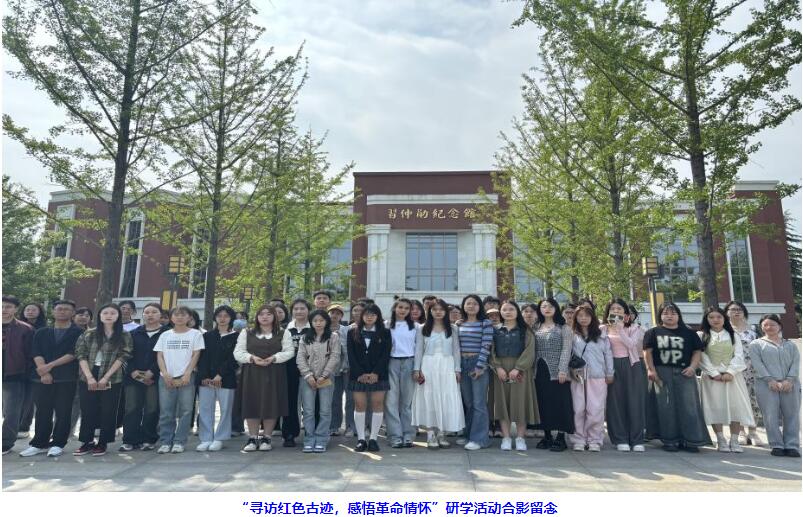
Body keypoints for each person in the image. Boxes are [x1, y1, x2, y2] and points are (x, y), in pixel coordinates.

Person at [643, 302, 711, 452]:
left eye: (673, 313)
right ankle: (669, 440)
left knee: (689, 406)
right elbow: (647, 352)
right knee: (665, 406)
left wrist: (693, 367)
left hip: (685, 372)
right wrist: (651, 370)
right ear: (660, 315)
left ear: (678, 315)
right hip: (662, 372)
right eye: (665, 313)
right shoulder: (653, 332)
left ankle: (692, 440)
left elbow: (697, 352)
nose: (669, 316)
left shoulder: (690, 333)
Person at [18, 300, 82, 458]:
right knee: (42, 411)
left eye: (66, 309)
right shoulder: (42, 332)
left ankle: (58, 443)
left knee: (63, 411)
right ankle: (39, 443)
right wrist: (43, 372)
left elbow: (74, 353)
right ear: (53, 312)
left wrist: (49, 366)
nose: (62, 311)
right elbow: (36, 351)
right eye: (59, 309)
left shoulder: (79, 333)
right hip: (41, 378)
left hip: (66, 377)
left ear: (73, 313)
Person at [73, 303, 133, 456]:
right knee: (87, 409)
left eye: (113, 313)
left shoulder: (124, 334)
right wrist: (89, 377)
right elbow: (80, 354)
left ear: (118, 316)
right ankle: (86, 441)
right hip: (88, 373)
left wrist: (106, 377)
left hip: (113, 375)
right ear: (99, 316)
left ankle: (103, 442)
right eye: (105, 313)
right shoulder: (89, 333)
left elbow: (124, 356)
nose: (109, 316)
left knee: (108, 410)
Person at [234, 304, 293, 453]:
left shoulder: (283, 333)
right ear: (257, 317)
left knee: (271, 404)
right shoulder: (247, 332)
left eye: (268, 314)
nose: (265, 317)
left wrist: (274, 358)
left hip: (274, 372)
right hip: (252, 373)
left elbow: (289, 351)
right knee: (252, 403)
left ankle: (267, 437)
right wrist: (252, 358)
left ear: (274, 316)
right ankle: (252, 438)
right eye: (261, 314)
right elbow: (238, 352)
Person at [697, 306, 754, 453]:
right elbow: (701, 356)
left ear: (724, 319)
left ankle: (734, 440)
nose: (715, 320)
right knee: (715, 406)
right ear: (706, 319)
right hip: (711, 378)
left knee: (736, 407)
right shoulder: (701, 335)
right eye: (711, 317)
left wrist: (730, 372)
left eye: (719, 317)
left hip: (733, 377)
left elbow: (739, 355)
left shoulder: (733, 335)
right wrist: (714, 373)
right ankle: (720, 439)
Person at [411, 299, 463, 449]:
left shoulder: (453, 328)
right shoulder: (422, 328)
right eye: (435, 309)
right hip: (428, 365)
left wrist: (457, 369)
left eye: (441, 309)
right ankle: (430, 434)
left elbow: (456, 350)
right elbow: (418, 349)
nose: (438, 312)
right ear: (430, 311)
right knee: (429, 398)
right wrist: (417, 369)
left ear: (446, 311)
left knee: (445, 397)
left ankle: (441, 433)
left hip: (447, 365)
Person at [153, 306, 204, 454]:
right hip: (166, 377)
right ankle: (165, 441)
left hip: (187, 377)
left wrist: (188, 373)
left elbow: (196, 354)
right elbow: (159, 355)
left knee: (186, 410)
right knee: (166, 411)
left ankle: (179, 441)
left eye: (183, 315)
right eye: (176, 315)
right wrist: (164, 373)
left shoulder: (195, 334)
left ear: (189, 317)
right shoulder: (165, 335)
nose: (179, 317)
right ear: (171, 317)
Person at [749, 314, 800, 457]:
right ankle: (776, 445)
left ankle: (791, 445)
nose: (769, 327)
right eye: (765, 325)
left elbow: (795, 363)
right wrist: (769, 380)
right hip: (766, 385)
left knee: (792, 415)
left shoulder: (790, 345)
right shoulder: (756, 344)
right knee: (770, 415)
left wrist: (789, 380)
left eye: (772, 324)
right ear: (761, 327)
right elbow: (757, 364)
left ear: (779, 326)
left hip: (790, 384)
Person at [490, 301, 537, 452]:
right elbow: (491, 351)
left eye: (511, 309)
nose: (508, 312)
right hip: (500, 370)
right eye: (504, 309)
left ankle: (520, 438)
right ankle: (506, 437)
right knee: (502, 403)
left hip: (521, 369)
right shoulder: (495, 330)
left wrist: (518, 368)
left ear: (517, 311)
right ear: (500, 312)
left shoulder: (525, 330)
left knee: (520, 402)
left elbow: (530, 351)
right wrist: (497, 367)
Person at [601, 299, 647, 452]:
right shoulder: (602, 329)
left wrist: (620, 329)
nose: (616, 311)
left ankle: (637, 439)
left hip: (631, 365)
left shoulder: (635, 328)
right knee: (615, 403)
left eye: (619, 309)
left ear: (626, 313)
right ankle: (620, 438)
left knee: (635, 402)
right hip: (610, 366)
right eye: (613, 309)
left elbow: (631, 345)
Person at [347, 304, 392, 452]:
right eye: (366, 314)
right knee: (360, 405)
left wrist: (375, 373)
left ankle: (373, 439)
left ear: (378, 316)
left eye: (373, 314)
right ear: (362, 316)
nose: (369, 317)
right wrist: (360, 373)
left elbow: (385, 355)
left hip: (379, 375)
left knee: (377, 404)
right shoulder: (352, 332)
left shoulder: (385, 333)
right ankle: (361, 439)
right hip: (357, 375)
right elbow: (351, 355)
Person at [120, 302, 165, 452]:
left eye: (154, 312)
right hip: (132, 377)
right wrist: (133, 371)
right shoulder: (134, 333)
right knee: (131, 408)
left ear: (161, 315)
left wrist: (152, 371)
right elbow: (126, 354)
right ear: (142, 315)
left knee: (152, 408)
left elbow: (165, 355)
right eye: (147, 312)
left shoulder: (166, 333)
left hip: (155, 377)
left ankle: (148, 439)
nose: (150, 315)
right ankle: (129, 440)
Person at [570, 306, 613, 452]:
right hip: (578, 376)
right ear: (575, 318)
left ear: (592, 317)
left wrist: (610, 373)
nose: (583, 318)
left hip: (597, 376)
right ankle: (578, 439)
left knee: (596, 410)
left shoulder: (601, 335)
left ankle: (594, 439)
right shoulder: (572, 335)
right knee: (578, 409)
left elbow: (608, 354)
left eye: (587, 315)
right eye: (580, 315)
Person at [533, 298, 574, 452]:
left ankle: (561, 437)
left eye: (550, 306)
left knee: (560, 403)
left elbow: (566, 349)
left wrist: (563, 369)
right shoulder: (536, 327)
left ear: (556, 308)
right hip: (539, 371)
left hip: (558, 372)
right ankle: (547, 435)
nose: (547, 309)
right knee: (543, 403)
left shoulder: (563, 328)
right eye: (544, 306)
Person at [196, 305, 239, 452]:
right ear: (215, 318)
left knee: (225, 409)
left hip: (226, 379)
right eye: (219, 316)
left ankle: (220, 438)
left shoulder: (237, 337)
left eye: (226, 316)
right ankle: (206, 438)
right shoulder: (207, 336)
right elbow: (201, 358)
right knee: (205, 408)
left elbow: (233, 359)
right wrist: (204, 376)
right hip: (206, 380)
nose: (222, 319)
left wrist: (220, 375)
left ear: (231, 318)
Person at [297, 310, 341, 453]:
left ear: (326, 321)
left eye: (321, 320)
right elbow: (300, 358)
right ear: (311, 322)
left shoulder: (333, 337)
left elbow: (335, 357)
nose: (318, 323)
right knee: (308, 411)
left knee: (325, 410)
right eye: (315, 320)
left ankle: (322, 439)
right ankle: (309, 439)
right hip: (307, 379)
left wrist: (324, 375)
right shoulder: (305, 337)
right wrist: (308, 375)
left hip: (326, 378)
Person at [456, 294, 494, 451]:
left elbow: (486, 345)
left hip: (478, 363)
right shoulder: (459, 324)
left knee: (479, 403)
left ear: (480, 306)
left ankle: (480, 439)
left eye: (474, 303)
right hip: (462, 363)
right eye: (468, 303)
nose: (471, 306)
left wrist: (480, 366)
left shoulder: (485, 323)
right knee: (469, 403)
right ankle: (469, 435)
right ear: (463, 306)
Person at [725, 300, 764, 446]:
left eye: (739, 309)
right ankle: (740, 431)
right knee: (737, 402)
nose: (736, 312)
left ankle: (753, 431)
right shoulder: (725, 330)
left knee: (754, 401)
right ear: (727, 312)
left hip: (753, 371)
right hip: (734, 372)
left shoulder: (754, 329)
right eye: (733, 309)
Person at [2, 296, 34, 454]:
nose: (4, 309)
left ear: (15, 309)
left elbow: (30, 354)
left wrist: (26, 373)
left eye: (8, 306)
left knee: (11, 412)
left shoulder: (25, 329)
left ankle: (6, 442)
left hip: (14, 375)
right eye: (1, 306)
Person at [385, 298, 419, 448]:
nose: (403, 310)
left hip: (409, 362)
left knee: (407, 402)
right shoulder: (386, 325)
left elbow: (418, 348)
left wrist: (417, 368)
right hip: (391, 362)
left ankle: (408, 434)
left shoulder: (416, 327)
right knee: (391, 401)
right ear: (394, 308)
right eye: (400, 307)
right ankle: (395, 436)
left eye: (406, 308)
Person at [280, 299, 311, 447]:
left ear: (308, 310)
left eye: (302, 308)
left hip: (310, 371)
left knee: (310, 404)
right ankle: (289, 434)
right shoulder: (285, 329)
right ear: (291, 311)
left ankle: (311, 434)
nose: (299, 311)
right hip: (289, 370)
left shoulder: (314, 327)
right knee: (290, 403)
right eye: (296, 309)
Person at [17, 302, 45, 437]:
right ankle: (14, 425)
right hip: (17, 367)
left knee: (29, 399)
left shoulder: (44, 329)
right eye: (27, 309)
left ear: (40, 312)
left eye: (33, 310)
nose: (30, 312)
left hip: (35, 368)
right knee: (15, 399)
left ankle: (24, 427)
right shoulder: (16, 327)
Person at [344, 302, 367, 436]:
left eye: (360, 310)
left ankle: (366, 426)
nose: (357, 313)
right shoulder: (347, 329)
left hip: (368, 370)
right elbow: (346, 350)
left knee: (367, 400)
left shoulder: (372, 328)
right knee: (350, 400)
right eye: (355, 310)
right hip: (351, 369)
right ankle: (350, 426)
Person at [327, 305, 349, 436]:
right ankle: (334, 426)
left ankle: (350, 426)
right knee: (334, 398)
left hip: (346, 367)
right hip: (331, 369)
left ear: (341, 316)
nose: (334, 315)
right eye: (332, 313)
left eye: (337, 313)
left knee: (350, 399)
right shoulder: (323, 329)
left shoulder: (346, 330)